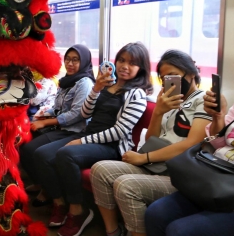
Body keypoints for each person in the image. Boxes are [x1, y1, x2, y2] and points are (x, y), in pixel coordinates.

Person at [33, 42, 153, 236]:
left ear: (141, 68)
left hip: (111, 146)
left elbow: (119, 131)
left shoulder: (136, 94)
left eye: (132, 63)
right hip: (88, 136)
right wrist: (96, 88)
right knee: (41, 155)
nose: (124, 66)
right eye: (121, 60)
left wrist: (82, 142)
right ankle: (59, 202)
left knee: (66, 154)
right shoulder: (107, 85)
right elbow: (85, 112)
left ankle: (77, 211)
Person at [90, 49, 212, 236]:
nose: (168, 81)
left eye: (173, 75)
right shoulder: (170, 101)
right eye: (163, 78)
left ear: (191, 73)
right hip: (157, 164)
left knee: (126, 186)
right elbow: (151, 139)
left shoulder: (203, 101)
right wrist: (158, 111)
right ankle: (113, 231)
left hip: (179, 172)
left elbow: (192, 143)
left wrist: (143, 158)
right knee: (100, 170)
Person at [144, 88, 234, 236]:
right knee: (155, 213)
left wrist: (146, 157)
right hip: (219, 178)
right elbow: (218, 142)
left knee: (180, 231)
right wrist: (218, 115)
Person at [20, 44, 95, 205]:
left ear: (84, 62)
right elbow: (57, 108)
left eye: (75, 60)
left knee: (39, 153)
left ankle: (56, 198)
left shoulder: (85, 83)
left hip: (76, 131)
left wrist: (47, 122)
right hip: (62, 128)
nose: (70, 63)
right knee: (25, 146)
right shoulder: (66, 81)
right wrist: (43, 116)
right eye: (67, 59)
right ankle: (43, 184)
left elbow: (78, 114)